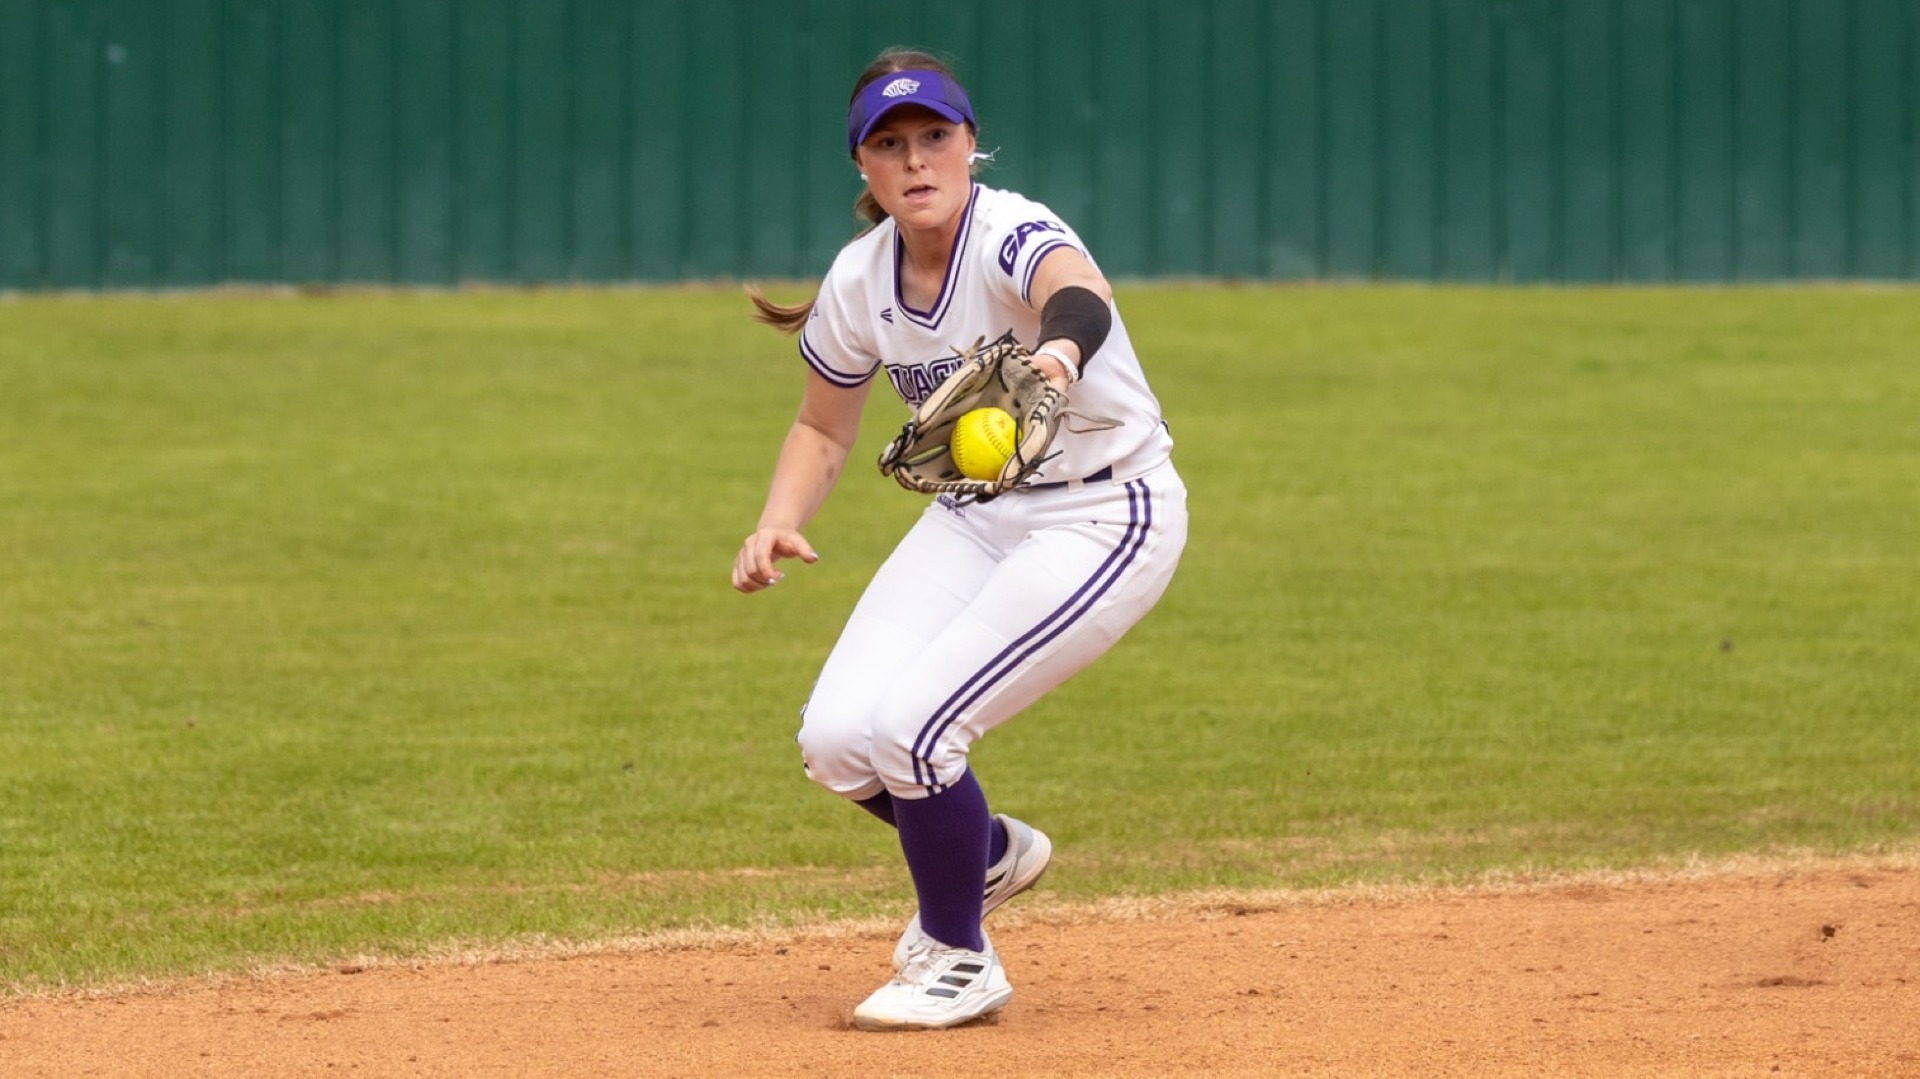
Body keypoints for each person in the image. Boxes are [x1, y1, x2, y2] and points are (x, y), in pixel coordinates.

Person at [732, 47, 1188, 1031]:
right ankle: (980, 853)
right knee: (838, 739)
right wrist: (778, 519)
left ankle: (957, 956)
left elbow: (1079, 289)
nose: (917, 158)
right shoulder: (861, 280)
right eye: (890, 143)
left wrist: (1059, 355)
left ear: (971, 143)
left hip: (1106, 510)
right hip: (979, 514)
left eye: (935, 135)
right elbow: (821, 424)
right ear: (863, 165)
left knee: (917, 729)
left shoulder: (1010, 229)